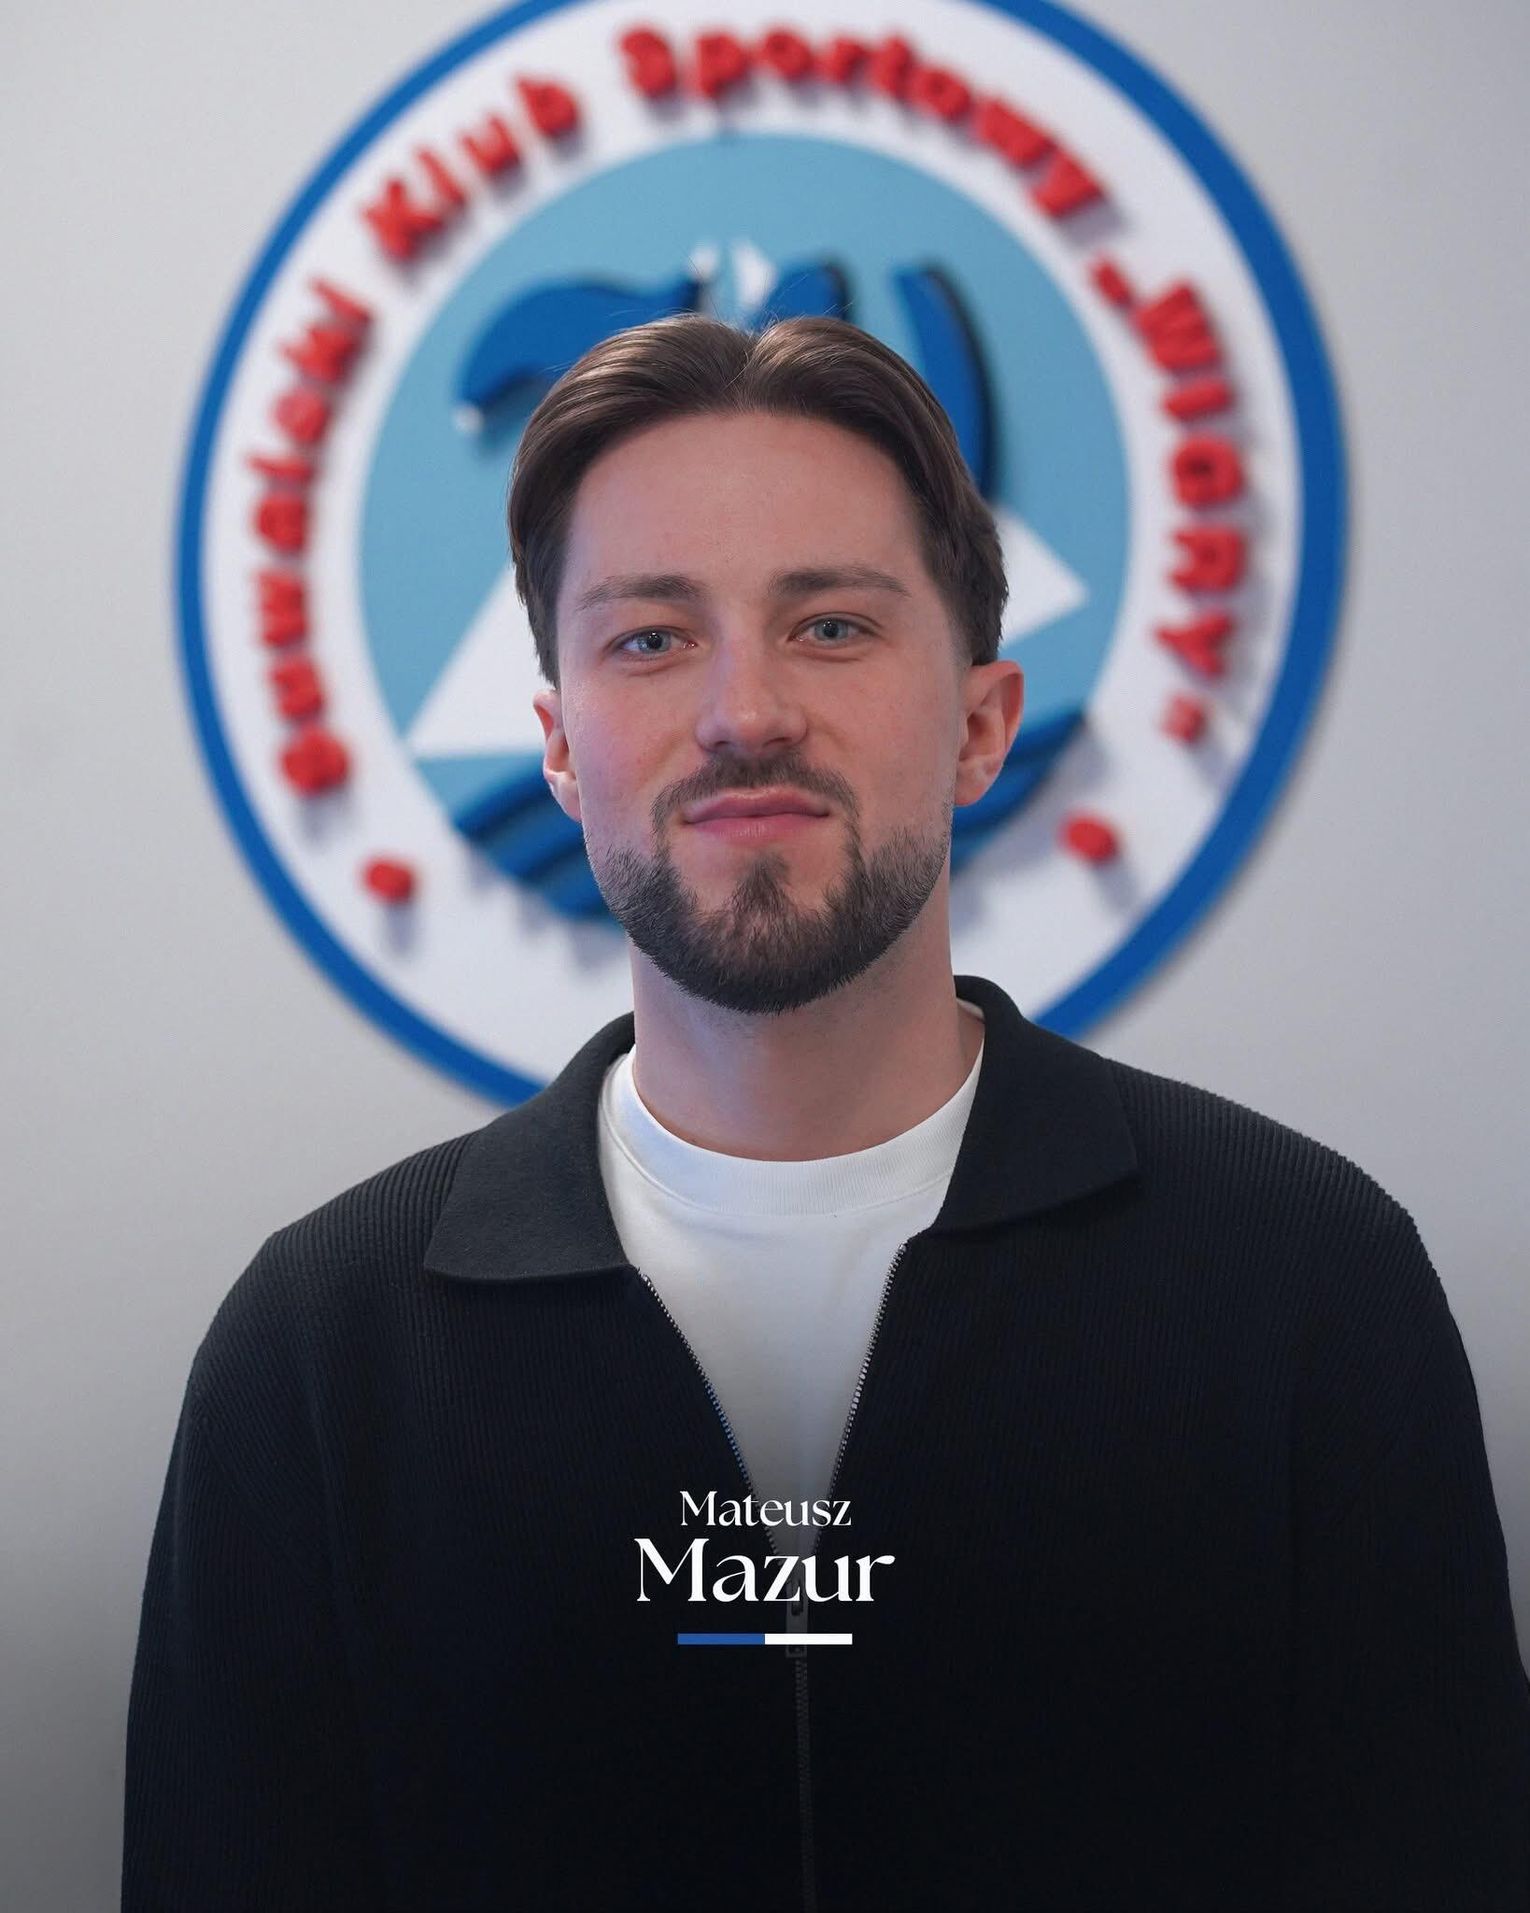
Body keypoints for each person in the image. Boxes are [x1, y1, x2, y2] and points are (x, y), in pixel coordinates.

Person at [123, 313, 1530, 1912]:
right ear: (561, 749)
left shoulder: (1303, 1284)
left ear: (980, 725)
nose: (745, 711)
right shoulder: (320, 1349)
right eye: (651, 638)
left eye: (833, 626)